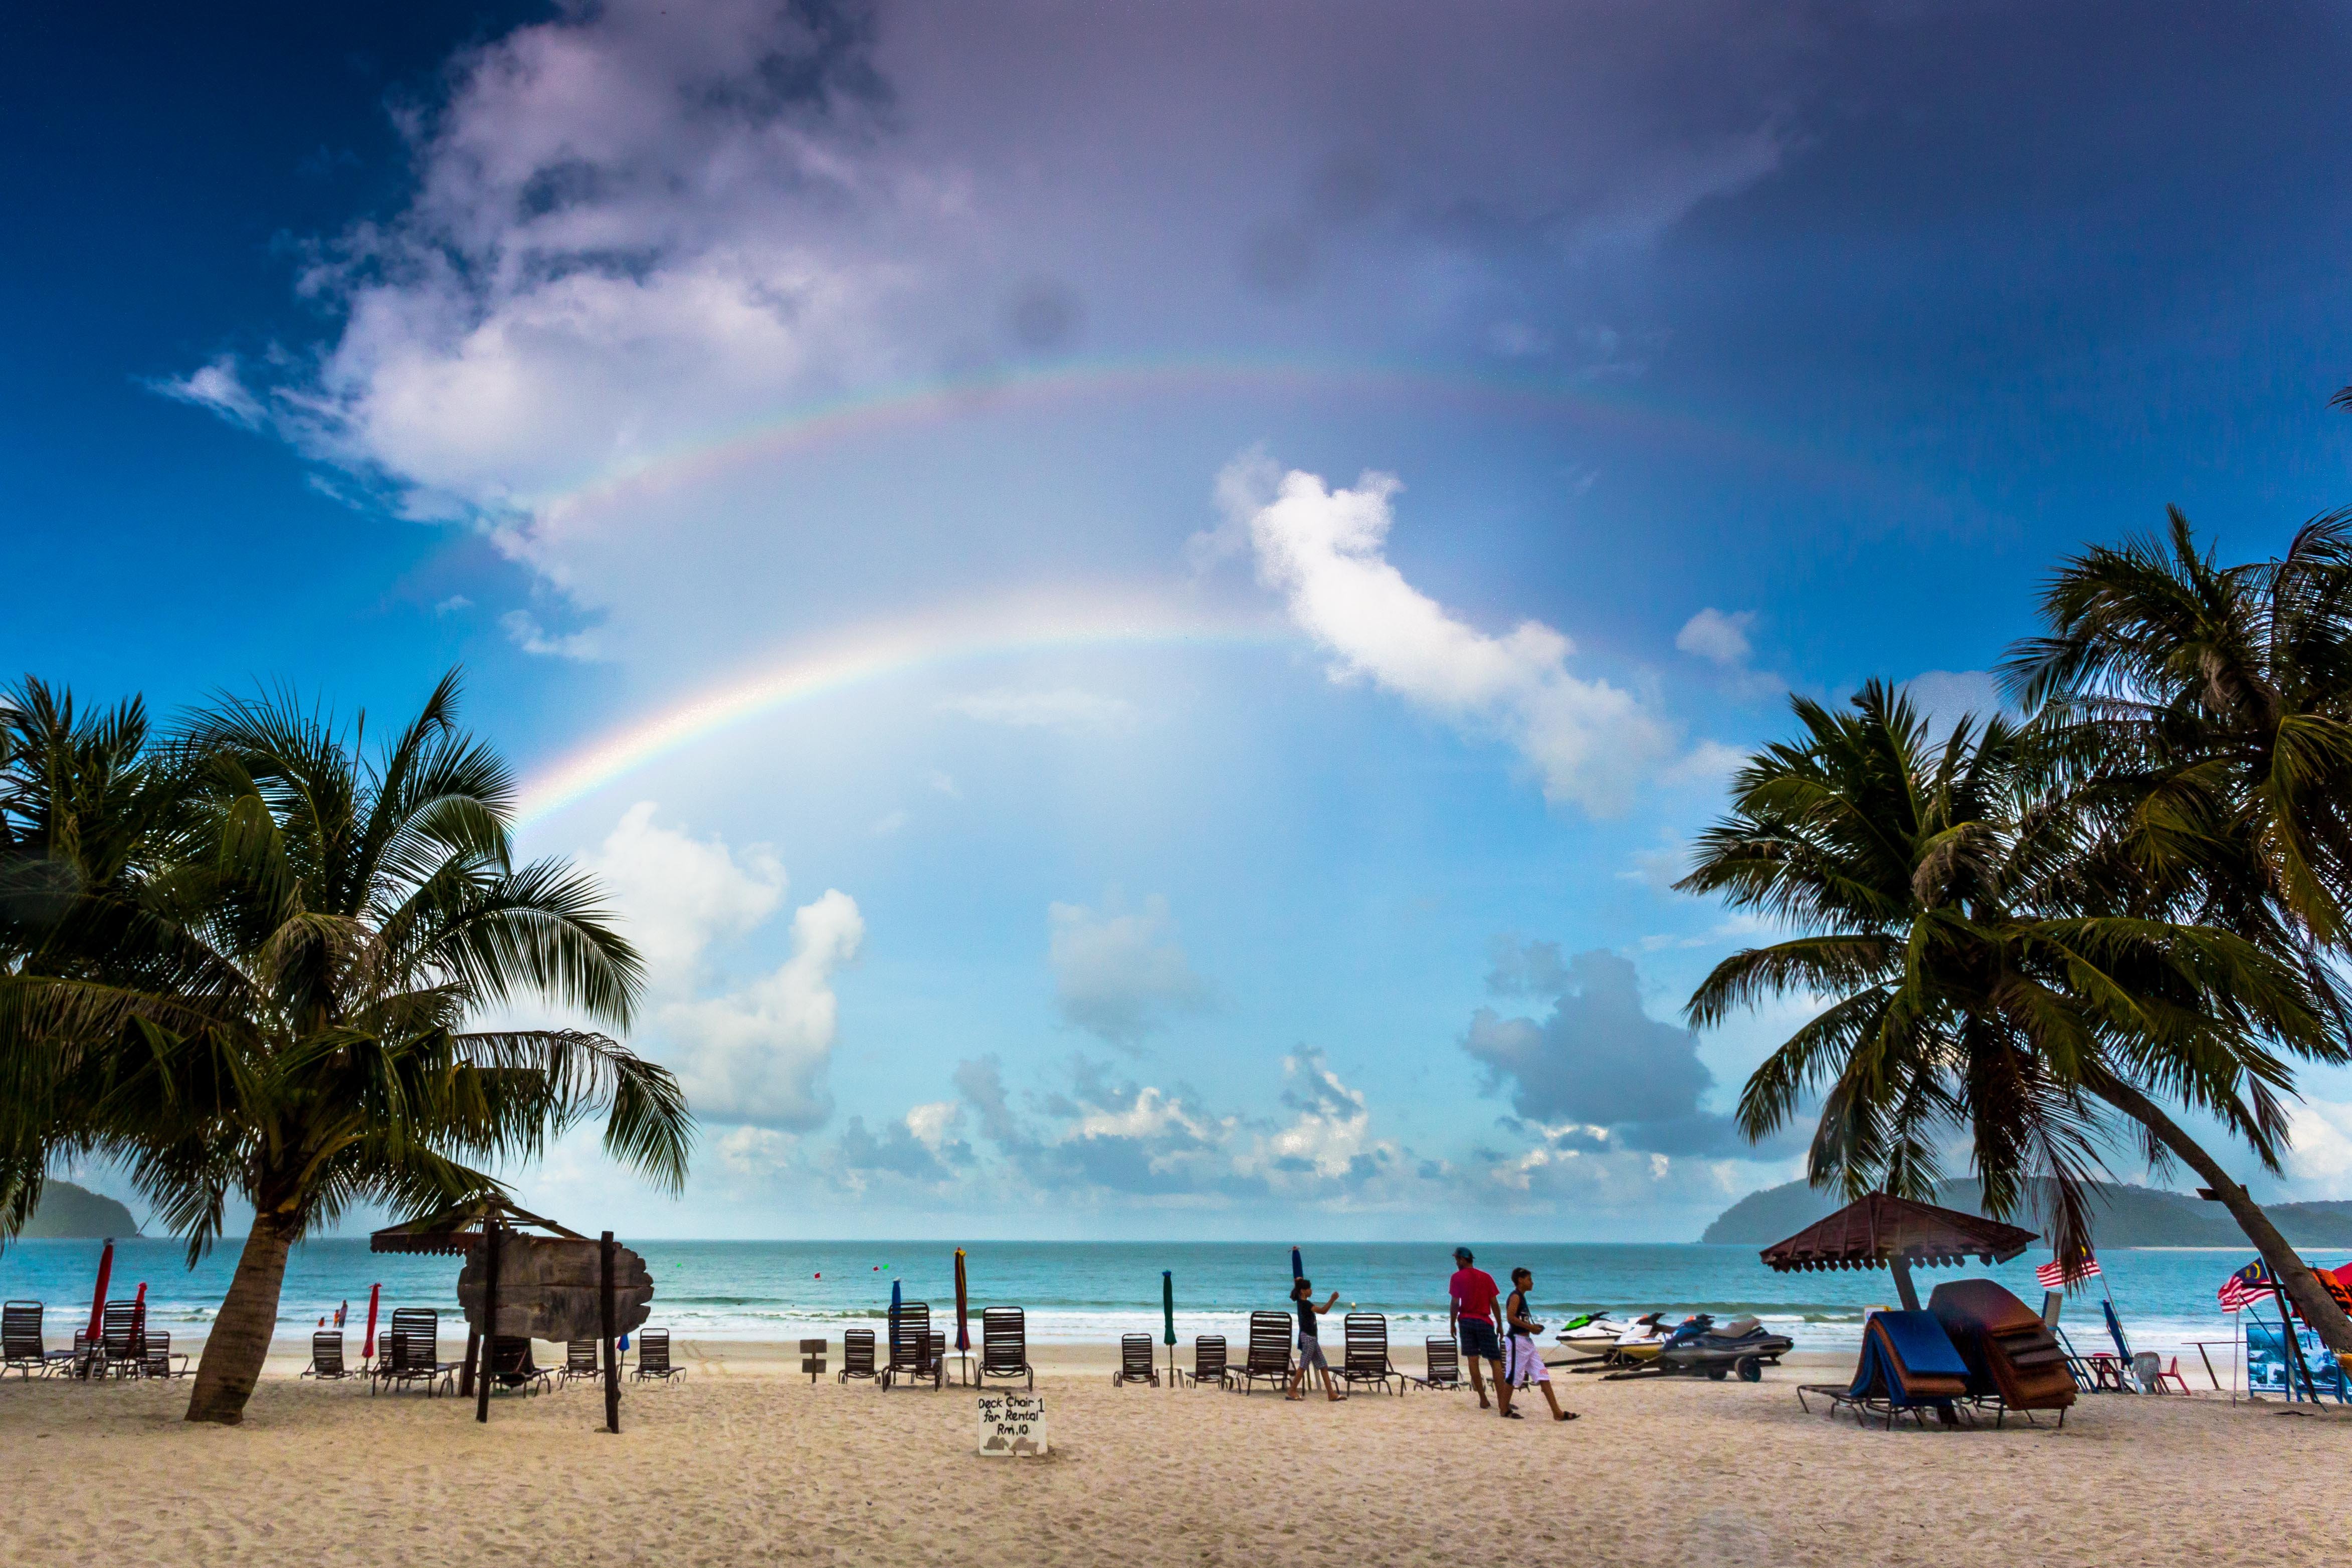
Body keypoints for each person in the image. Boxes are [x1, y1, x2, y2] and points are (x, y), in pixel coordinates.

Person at [1502, 1267, 1576, 1422]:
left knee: (1543, 1375)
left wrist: (1534, 1328)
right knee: (1513, 1375)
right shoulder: (1515, 1297)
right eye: (1529, 1279)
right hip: (1517, 1340)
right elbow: (1510, 1318)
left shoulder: (1522, 1297)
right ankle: (1504, 1409)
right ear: (1520, 1280)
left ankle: (1557, 1412)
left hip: (1527, 1342)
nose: (1532, 1282)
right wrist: (1531, 1328)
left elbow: (1520, 1319)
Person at [1448, 1246, 1509, 1414]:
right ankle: (1503, 1400)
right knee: (1495, 1361)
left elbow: (1455, 1303)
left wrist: (1452, 1323)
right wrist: (1500, 1324)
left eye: (1457, 1260)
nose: (1456, 1263)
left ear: (1462, 1259)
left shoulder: (1457, 1277)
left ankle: (1483, 1399)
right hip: (1484, 1322)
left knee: (1473, 1360)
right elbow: (1494, 1303)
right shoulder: (1486, 1277)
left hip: (1466, 1321)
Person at [1286, 1276, 1344, 1402]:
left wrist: (1298, 1281)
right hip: (1308, 1338)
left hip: (1312, 1338)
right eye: (1308, 1289)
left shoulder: (1302, 1303)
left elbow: (1298, 1285)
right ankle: (1292, 1390)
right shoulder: (1306, 1304)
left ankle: (1331, 1394)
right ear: (1303, 1291)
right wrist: (1332, 1299)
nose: (1311, 1291)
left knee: (1323, 1365)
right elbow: (1323, 1311)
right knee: (1303, 1366)